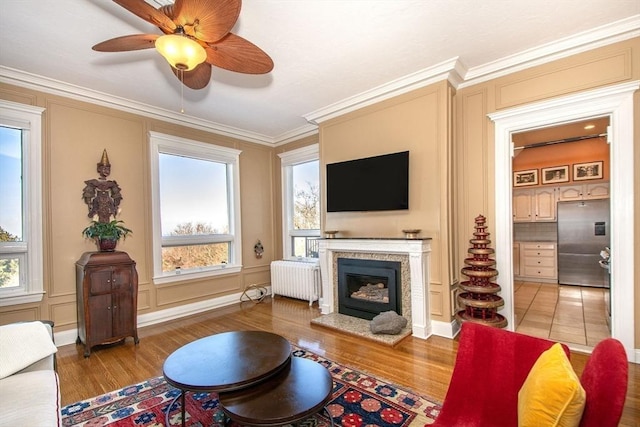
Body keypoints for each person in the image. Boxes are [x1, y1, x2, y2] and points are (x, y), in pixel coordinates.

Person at [82, 150, 123, 223]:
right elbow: (88, 195)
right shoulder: (94, 183)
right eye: (104, 168)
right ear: (99, 169)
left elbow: (116, 196)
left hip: (109, 207)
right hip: (97, 206)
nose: (106, 171)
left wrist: (115, 207)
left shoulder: (111, 184)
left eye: (108, 169)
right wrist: (90, 205)